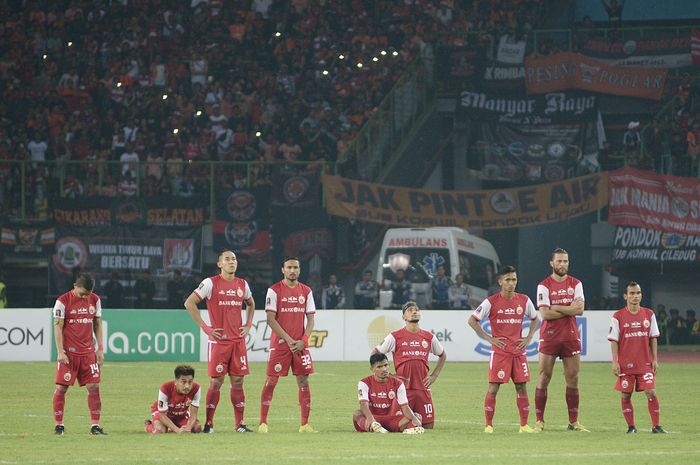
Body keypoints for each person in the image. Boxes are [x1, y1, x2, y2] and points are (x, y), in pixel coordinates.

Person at [184, 250, 255, 433]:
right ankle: (209, 423)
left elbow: (251, 303)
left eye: (234, 259)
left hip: (237, 342)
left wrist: (248, 325)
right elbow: (189, 303)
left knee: (238, 381)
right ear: (219, 264)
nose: (232, 262)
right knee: (216, 382)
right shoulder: (210, 283)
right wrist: (205, 328)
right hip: (219, 342)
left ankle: (240, 424)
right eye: (227, 259)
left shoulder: (242, 284)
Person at [468, 265, 539, 433]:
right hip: (500, 353)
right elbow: (472, 320)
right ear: (500, 282)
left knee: (521, 387)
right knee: (493, 388)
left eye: (514, 279)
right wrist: (489, 338)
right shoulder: (491, 302)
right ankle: (488, 426)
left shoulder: (524, 300)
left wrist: (528, 337)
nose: (511, 283)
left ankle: (524, 426)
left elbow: (535, 319)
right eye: (507, 280)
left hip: (518, 352)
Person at [258, 257, 317, 433]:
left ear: (299, 270)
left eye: (295, 267)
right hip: (281, 344)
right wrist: (290, 340)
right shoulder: (274, 290)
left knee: (304, 381)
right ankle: (263, 422)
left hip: (300, 345)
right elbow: (270, 319)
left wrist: (303, 341)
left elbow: (311, 319)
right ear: (282, 269)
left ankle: (305, 424)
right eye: (289, 267)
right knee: (271, 381)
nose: (292, 270)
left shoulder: (306, 291)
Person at [534, 248, 588, 432]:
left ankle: (573, 422)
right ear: (552, 263)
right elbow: (545, 314)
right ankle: (539, 421)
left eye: (565, 261)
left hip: (570, 337)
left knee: (573, 379)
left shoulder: (576, 283)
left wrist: (556, 306)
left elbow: (580, 310)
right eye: (559, 261)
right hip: (549, 337)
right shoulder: (543, 285)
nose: (563, 264)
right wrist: (568, 307)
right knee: (543, 378)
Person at [373, 300, 446, 429]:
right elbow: (375, 353)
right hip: (403, 390)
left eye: (416, 310)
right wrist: (387, 375)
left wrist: (434, 375)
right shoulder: (395, 336)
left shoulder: (428, 337)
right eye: (410, 310)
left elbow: (442, 355)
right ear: (404, 317)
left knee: (428, 427)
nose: (414, 311)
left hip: (423, 388)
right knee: (399, 425)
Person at [52, 273, 107, 435]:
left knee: (94, 387)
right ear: (75, 286)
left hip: (88, 353)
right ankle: (59, 425)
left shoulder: (95, 300)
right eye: (82, 293)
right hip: (69, 354)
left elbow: (97, 324)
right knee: (61, 388)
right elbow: (57, 327)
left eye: (87, 294)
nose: (85, 297)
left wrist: (100, 348)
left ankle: (95, 426)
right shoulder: (62, 301)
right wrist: (60, 351)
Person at [608, 282, 666, 433]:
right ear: (625, 296)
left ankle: (656, 426)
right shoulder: (618, 316)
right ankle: (631, 427)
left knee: (651, 392)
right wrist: (615, 362)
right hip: (625, 365)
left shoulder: (649, 314)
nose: (635, 296)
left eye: (638, 293)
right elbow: (614, 341)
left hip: (645, 364)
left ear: (641, 295)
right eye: (632, 293)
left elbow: (653, 338)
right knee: (626, 394)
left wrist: (655, 359)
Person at [352, 353, 425, 434]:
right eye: (379, 367)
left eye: (386, 365)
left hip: (391, 420)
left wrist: (414, 418)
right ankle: (375, 427)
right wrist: (370, 418)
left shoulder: (398, 383)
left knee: (417, 416)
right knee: (357, 414)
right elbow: (363, 405)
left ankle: (407, 431)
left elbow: (405, 407)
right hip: (373, 418)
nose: (384, 369)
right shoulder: (364, 383)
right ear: (372, 369)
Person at [145, 365, 203, 434]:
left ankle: (172, 427)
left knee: (197, 428)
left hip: (181, 414)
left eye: (190, 382)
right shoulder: (165, 388)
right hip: (163, 413)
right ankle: (149, 425)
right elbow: (162, 415)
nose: (187, 386)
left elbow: (193, 414)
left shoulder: (196, 389)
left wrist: (188, 428)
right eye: (183, 382)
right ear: (176, 381)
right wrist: (178, 430)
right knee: (159, 431)